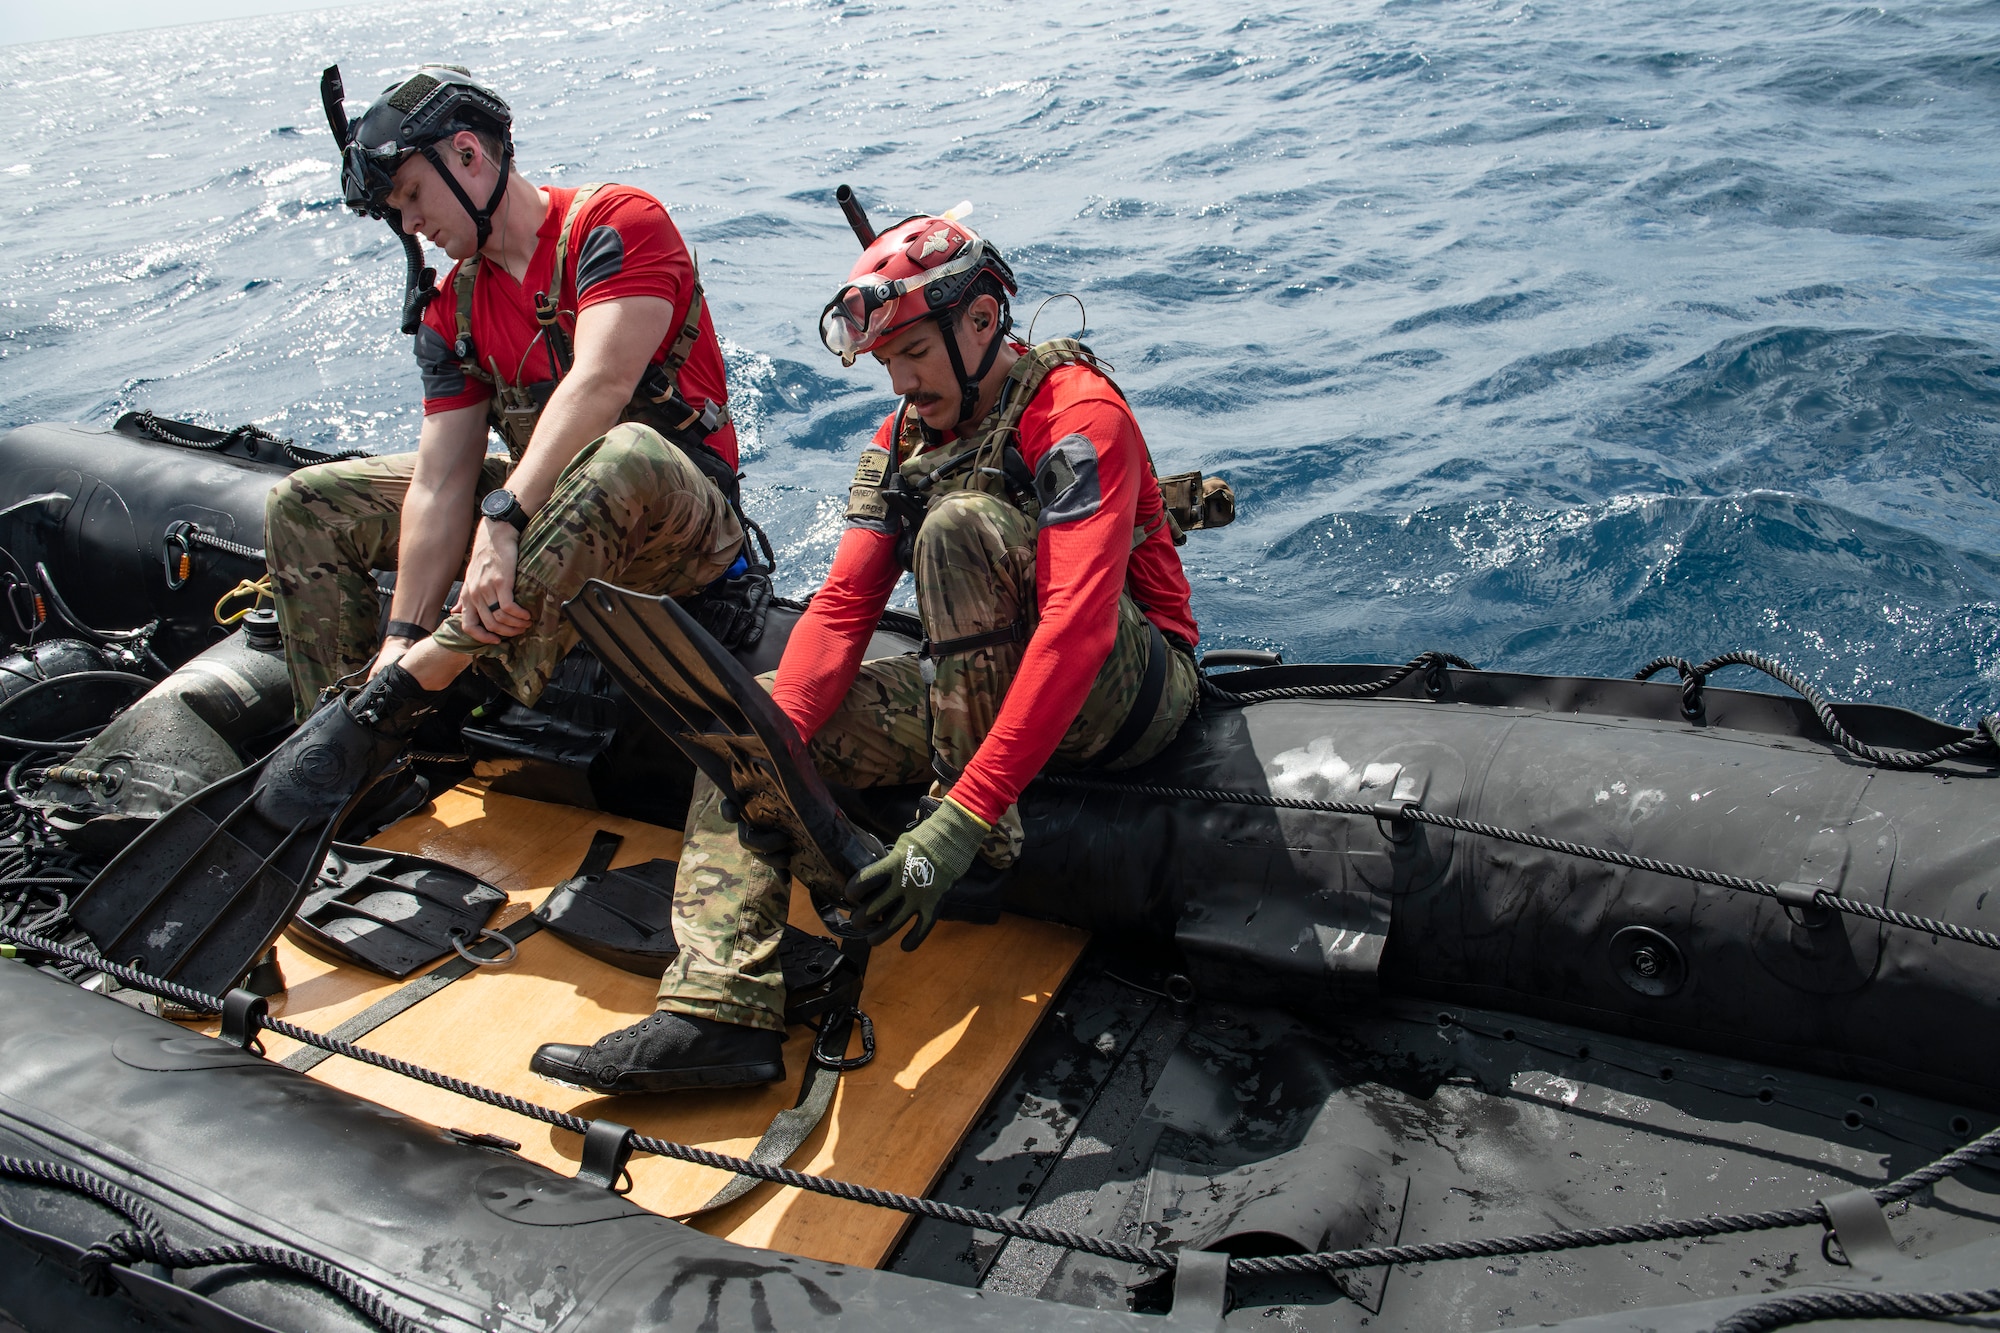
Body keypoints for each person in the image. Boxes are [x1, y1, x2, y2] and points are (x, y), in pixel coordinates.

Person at [530, 209, 1203, 1093]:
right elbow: (844, 608)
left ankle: (980, 838)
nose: (901, 381)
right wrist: (779, 742)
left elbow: (1077, 622)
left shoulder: (1078, 415)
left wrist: (962, 817)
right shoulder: (899, 445)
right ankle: (716, 1010)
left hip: (1130, 689)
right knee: (753, 718)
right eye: (887, 361)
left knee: (960, 525)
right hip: (989, 684)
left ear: (981, 321)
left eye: (915, 352)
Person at [266, 64, 748, 793]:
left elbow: (601, 383)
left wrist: (505, 517)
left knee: (624, 453)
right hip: (550, 518)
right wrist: (400, 632)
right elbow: (440, 479)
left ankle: (421, 693)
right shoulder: (452, 312)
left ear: (468, 154)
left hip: (677, 528)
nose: (409, 223)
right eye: (395, 208)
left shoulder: (615, 225)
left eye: (412, 195)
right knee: (306, 504)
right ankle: (348, 753)